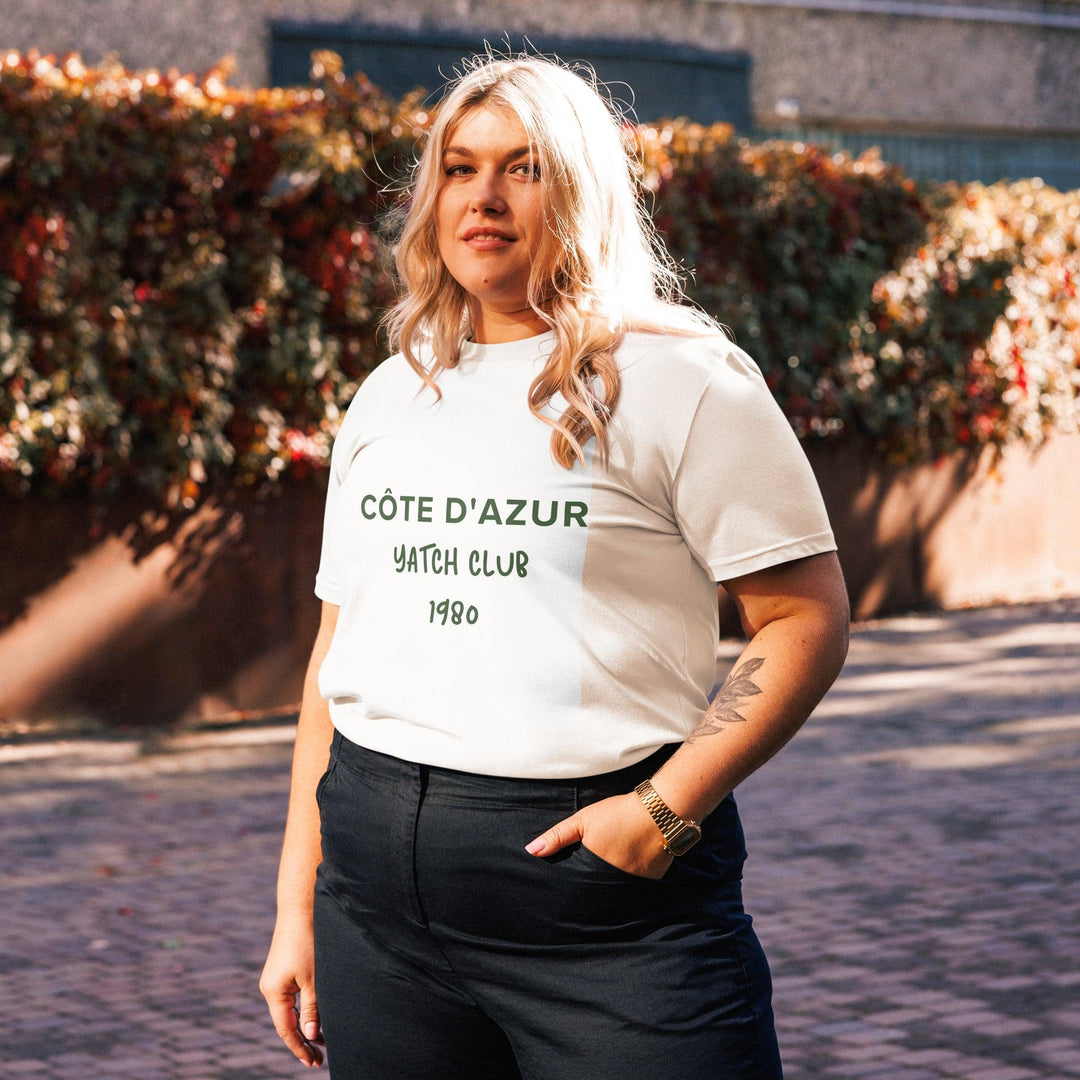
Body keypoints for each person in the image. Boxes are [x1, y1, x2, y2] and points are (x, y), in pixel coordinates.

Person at [260, 52, 849, 1079]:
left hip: (607, 912)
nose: (483, 197)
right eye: (458, 168)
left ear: (580, 190)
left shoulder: (682, 379)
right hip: (378, 909)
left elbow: (804, 618)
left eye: (523, 169)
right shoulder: (391, 394)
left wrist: (666, 811)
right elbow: (336, 654)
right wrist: (296, 906)